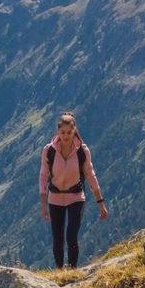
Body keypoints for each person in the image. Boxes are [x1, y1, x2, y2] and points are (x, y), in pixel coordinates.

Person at [39, 112, 108, 268]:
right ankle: (60, 270)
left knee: (71, 235)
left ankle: (72, 269)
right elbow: (43, 176)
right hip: (54, 199)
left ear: (74, 130)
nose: (66, 135)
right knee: (57, 238)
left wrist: (100, 203)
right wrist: (43, 205)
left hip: (76, 198)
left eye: (69, 132)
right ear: (57, 132)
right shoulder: (48, 151)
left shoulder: (82, 152)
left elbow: (91, 176)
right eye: (62, 132)